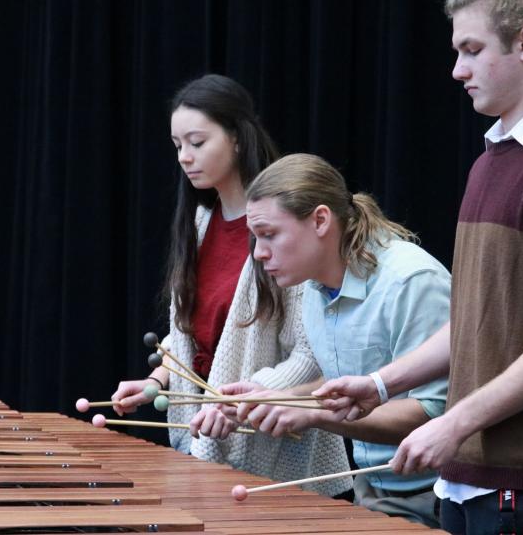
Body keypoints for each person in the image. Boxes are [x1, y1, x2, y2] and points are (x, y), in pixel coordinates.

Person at [315, 0, 523, 535]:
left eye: (472, 49)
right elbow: (476, 323)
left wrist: (454, 422)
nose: (457, 70)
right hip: (473, 482)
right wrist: (382, 385)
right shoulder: (492, 162)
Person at [110, 74, 352, 498]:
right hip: (203, 448)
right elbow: (200, 335)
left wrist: (250, 396)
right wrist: (159, 379)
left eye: (197, 142)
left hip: (281, 469)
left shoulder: (285, 230)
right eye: (177, 146)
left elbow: (315, 351)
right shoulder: (200, 226)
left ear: (237, 138)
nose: (185, 157)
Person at [222, 152, 450, 527]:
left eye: (269, 235)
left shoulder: (411, 282)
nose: (259, 253)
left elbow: (434, 413)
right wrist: (276, 395)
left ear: (321, 220)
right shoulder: (314, 286)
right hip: (373, 488)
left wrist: (313, 415)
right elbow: (354, 377)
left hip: (435, 498)